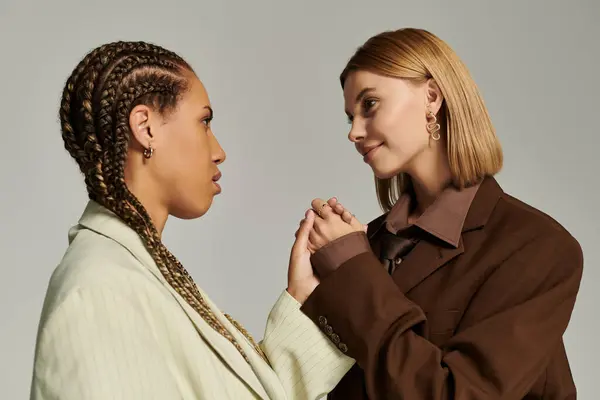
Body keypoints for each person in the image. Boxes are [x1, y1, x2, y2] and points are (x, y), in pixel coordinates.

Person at [29, 41, 355, 400]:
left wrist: (303, 296)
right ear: (146, 127)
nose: (218, 151)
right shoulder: (97, 292)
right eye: (204, 122)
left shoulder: (140, 273)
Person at [293, 28, 584, 399]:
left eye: (370, 105)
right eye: (350, 116)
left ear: (431, 97)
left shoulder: (536, 248)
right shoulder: (370, 245)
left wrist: (351, 269)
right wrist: (303, 294)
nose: (353, 132)